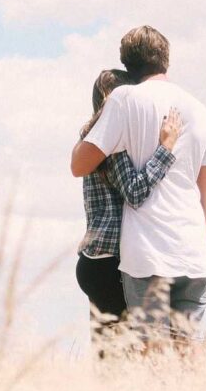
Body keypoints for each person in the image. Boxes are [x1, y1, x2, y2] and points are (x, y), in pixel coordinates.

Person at [71, 26, 206, 343]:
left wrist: (164, 150)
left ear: (128, 64)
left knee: (143, 352)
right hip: (191, 251)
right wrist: (197, 241)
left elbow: (82, 166)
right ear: (166, 58)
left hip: (145, 254)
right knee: (186, 347)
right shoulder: (200, 109)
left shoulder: (125, 101)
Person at [74, 69, 184, 344]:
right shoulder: (113, 142)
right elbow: (135, 192)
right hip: (111, 263)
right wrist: (165, 149)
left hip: (93, 260)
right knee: (126, 358)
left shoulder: (90, 139)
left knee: (108, 358)